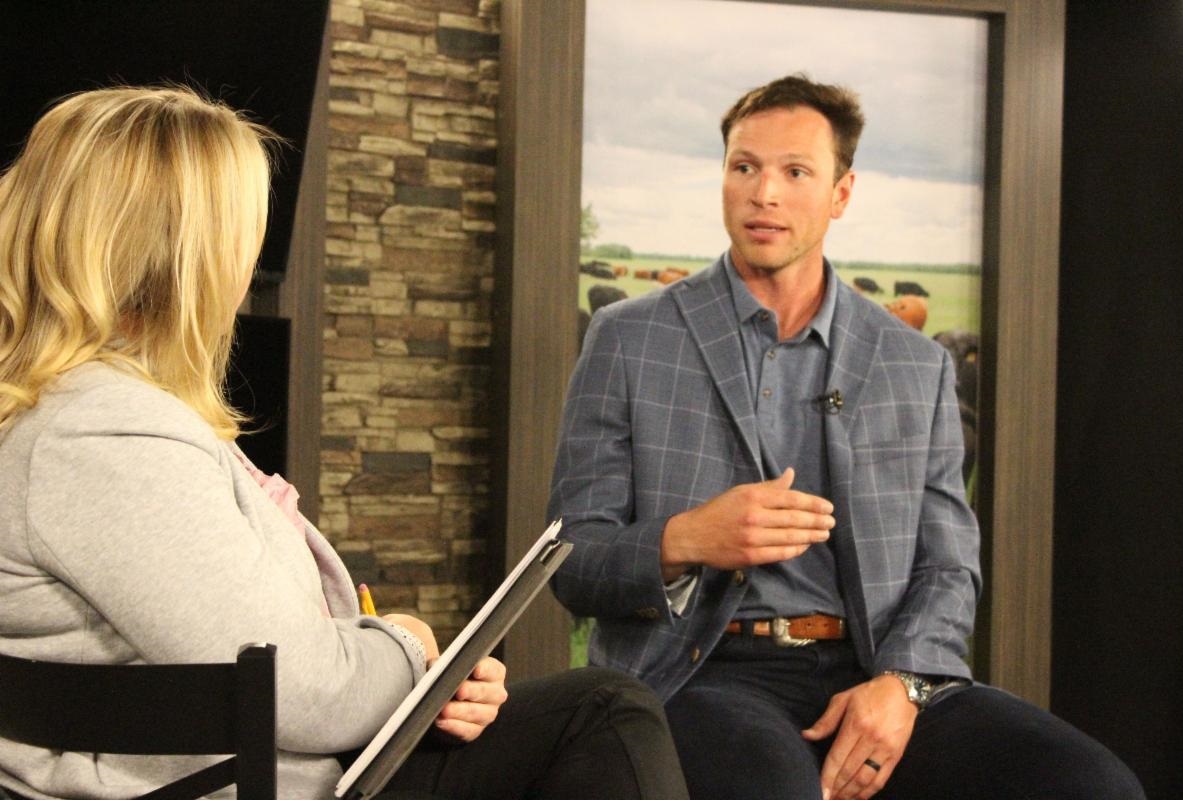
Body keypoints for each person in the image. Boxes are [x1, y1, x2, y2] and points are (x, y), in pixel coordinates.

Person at [0, 86, 688, 800]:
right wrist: (410, 648)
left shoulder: (77, 412)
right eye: (243, 233)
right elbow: (301, 688)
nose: (249, 267)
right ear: (184, 252)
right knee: (604, 715)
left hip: (259, 766)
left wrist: (413, 672)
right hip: (257, 783)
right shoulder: (105, 437)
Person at [548, 74, 1144, 800]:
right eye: (745, 167)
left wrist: (900, 685)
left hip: (874, 672)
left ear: (841, 193)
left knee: (1093, 786)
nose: (764, 192)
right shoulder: (628, 338)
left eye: (795, 171)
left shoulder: (914, 363)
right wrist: (687, 538)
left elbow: (949, 568)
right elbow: (572, 559)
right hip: (704, 672)